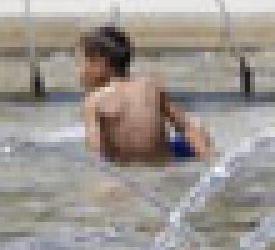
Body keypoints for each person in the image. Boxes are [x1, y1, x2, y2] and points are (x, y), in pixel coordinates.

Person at [79, 25, 212, 166]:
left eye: (80, 63)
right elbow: (187, 127)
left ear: (100, 63)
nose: (78, 72)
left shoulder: (94, 102)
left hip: (126, 172)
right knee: (199, 129)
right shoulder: (150, 87)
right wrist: (209, 158)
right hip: (164, 166)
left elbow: (97, 154)